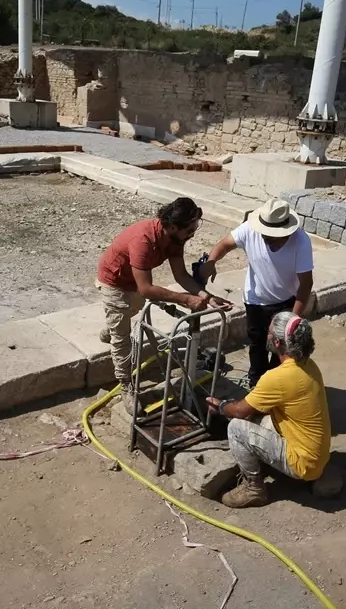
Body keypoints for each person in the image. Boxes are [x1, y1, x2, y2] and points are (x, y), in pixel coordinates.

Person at [96, 197, 228, 391]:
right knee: (122, 339)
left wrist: (207, 297)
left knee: (128, 311)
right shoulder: (143, 240)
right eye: (190, 230)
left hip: (133, 282)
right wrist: (186, 299)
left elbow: (181, 275)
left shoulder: (176, 239)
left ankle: (113, 327)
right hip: (114, 283)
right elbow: (146, 289)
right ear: (174, 226)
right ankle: (126, 385)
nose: (192, 235)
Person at [206, 313, 332, 508]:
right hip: (317, 455)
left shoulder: (277, 378)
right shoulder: (309, 364)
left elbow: (239, 411)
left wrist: (220, 406)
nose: (267, 335)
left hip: (303, 464)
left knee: (237, 428)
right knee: (259, 416)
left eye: (270, 332)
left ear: (278, 342)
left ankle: (254, 489)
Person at [199, 197, 313, 388]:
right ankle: (256, 384)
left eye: (273, 236)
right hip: (255, 302)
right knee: (257, 345)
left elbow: (306, 283)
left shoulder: (301, 242)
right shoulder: (250, 230)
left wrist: (293, 318)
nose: (267, 239)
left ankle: (275, 385)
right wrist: (211, 262)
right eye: (265, 235)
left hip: (285, 303)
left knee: (282, 349)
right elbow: (224, 244)